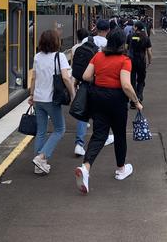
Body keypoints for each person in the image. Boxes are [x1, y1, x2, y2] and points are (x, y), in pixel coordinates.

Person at [74, 30, 143, 194]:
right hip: (117, 100)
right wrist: (136, 102)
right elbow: (126, 85)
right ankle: (120, 169)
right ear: (122, 44)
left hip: (97, 98)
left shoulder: (97, 56)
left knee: (99, 134)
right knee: (119, 134)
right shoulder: (124, 60)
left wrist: (100, 79)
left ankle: (85, 167)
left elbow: (86, 75)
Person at [28, 29, 75, 175]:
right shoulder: (59, 56)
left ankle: (38, 166)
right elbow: (66, 78)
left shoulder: (37, 57)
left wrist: (31, 95)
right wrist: (73, 94)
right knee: (60, 130)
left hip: (38, 99)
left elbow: (34, 78)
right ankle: (42, 157)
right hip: (52, 99)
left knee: (41, 131)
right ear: (56, 42)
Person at [81, 19, 115, 147]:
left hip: (86, 77)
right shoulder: (108, 44)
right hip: (100, 80)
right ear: (108, 30)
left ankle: (80, 139)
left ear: (96, 29)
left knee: (86, 106)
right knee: (101, 111)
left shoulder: (86, 41)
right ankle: (103, 136)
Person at [71, 28, 91, 157]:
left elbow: (74, 67)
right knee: (103, 113)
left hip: (82, 84)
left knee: (83, 114)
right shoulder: (102, 47)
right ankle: (104, 136)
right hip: (98, 86)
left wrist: (74, 85)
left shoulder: (75, 48)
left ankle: (79, 143)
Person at [126, 21, 152, 106]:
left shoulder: (130, 36)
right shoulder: (146, 37)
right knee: (141, 80)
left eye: (134, 26)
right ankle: (139, 95)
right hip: (141, 61)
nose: (133, 27)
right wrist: (150, 60)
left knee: (132, 80)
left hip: (131, 61)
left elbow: (126, 48)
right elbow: (149, 51)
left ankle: (133, 100)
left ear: (136, 27)